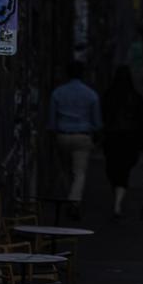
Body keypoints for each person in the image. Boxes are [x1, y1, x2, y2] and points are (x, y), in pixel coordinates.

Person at [48, 60, 102, 219]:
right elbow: (97, 122)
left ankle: (68, 198)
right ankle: (74, 201)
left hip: (62, 135)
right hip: (82, 135)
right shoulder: (91, 94)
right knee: (79, 172)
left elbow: (52, 121)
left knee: (64, 170)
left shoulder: (57, 93)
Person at [102, 65, 143, 219]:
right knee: (124, 171)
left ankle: (117, 198)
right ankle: (118, 201)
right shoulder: (136, 97)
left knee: (113, 170)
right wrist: (141, 142)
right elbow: (142, 122)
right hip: (130, 139)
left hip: (112, 139)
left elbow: (103, 117)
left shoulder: (108, 96)